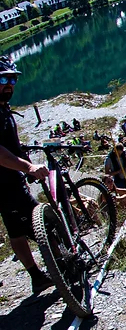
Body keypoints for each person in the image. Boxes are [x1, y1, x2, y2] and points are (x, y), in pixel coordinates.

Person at [0, 56, 53, 294]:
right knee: (44, 224)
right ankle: (62, 267)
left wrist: (26, 163)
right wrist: (28, 168)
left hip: (10, 182)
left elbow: (11, 145)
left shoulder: (3, 108)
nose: (9, 84)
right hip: (6, 185)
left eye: (13, 79)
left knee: (16, 231)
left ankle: (37, 277)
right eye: (3, 78)